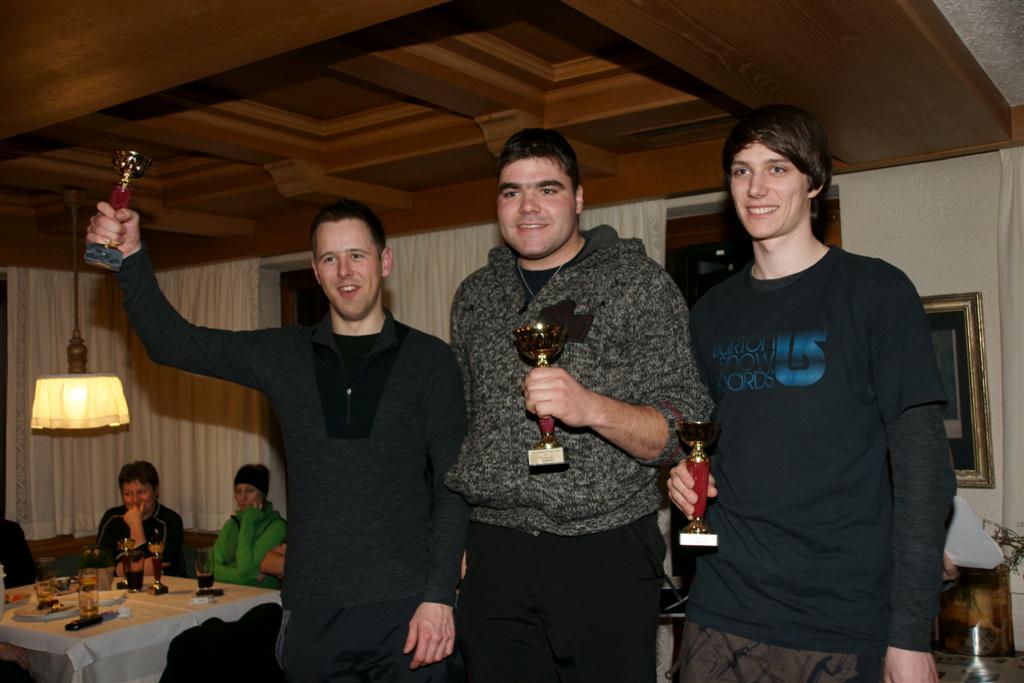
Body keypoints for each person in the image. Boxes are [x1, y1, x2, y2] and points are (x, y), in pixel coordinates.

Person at [87, 197, 468, 681]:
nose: (345, 271)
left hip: (409, 609)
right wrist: (131, 259)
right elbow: (171, 342)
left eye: (357, 255)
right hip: (313, 611)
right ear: (316, 271)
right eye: (330, 258)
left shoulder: (430, 361)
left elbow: (454, 486)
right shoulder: (285, 354)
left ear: (384, 261)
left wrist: (440, 595)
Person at [667, 105, 955, 682]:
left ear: (814, 181)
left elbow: (925, 471)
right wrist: (681, 472)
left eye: (777, 169)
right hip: (723, 610)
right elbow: (711, 441)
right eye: (742, 170)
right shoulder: (710, 313)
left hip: (841, 620)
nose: (756, 188)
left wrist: (908, 633)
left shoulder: (876, 291)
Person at [446, 128, 712, 681]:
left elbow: (683, 425)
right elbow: (461, 428)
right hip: (494, 549)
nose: (528, 206)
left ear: (579, 198)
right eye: (512, 191)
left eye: (547, 189)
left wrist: (591, 408)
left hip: (605, 548)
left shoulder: (638, 284)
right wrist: (456, 540)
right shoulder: (474, 296)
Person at [96, 460, 185, 576]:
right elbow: (99, 566)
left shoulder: (171, 521)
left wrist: (136, 527)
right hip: (119, 586)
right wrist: (131, 569)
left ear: (156, 490)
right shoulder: (112, 518)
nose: (135, 500)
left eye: (141, 492)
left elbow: (158, 569)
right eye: (128, 494)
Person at [212, 464, 287, 588]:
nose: (242, 498)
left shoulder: (277, 527)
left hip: (263, 595)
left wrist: (248, 520)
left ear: (262, 494)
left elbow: (244, 566)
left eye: (250, 490)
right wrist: (251, 575)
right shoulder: (232, 524)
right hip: (229, 592)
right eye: (238, 491)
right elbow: (209, 567)